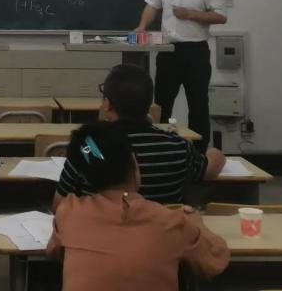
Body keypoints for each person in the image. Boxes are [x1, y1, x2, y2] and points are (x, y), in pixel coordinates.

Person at [46, 121, 229, 291]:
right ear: (134, 162)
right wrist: (195, 222)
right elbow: (216, 259)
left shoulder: (69, 212)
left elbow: (54, 251)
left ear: (85, 177)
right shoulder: (171, 222)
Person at [55, 64, 224, 207]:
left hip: (101, 232)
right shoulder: (178, 146)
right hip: (161, 234)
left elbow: (60, 204)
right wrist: (215, 153)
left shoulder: (88, 147)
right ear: (149, 105)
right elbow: (210, 170)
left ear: (107, 104)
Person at [136, 0, 227, 149]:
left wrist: (191, 14)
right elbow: (152, 5)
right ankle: (160, 148)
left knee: (198, 103)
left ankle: (199, 153)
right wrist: (142, 26)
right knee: (162, 103)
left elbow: (221, 16)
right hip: (168, 50)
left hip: (196, 52)